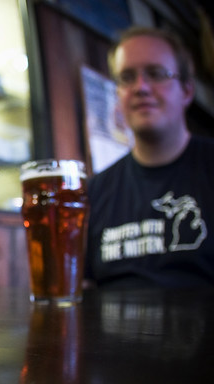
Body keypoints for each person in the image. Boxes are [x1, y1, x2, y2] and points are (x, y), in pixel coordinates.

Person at [85, 26, 214, 288]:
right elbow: (85, 286)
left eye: (156, 74)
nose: (141, 87)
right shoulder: (96, 191)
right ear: (118, 95)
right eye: (127, 77)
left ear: (187, 91)